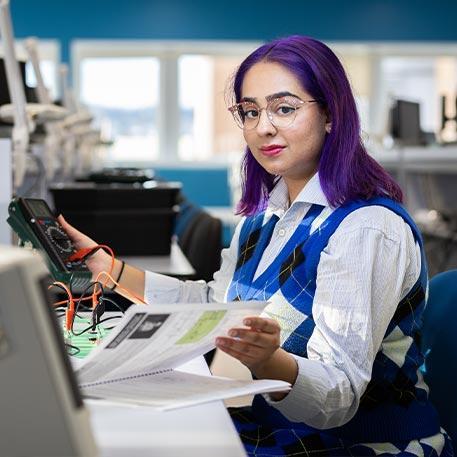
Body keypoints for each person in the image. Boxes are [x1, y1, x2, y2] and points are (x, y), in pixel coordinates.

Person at [60, 35, 453, 457]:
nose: (262, 126)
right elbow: (216, 301)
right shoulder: (265, 217)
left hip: (361, 445)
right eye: (250, 111)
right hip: (272, 428)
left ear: (331, 115)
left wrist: (268, 360)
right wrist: (108, 269)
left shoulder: (366, 228)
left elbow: (338, 397)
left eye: (284, 108)